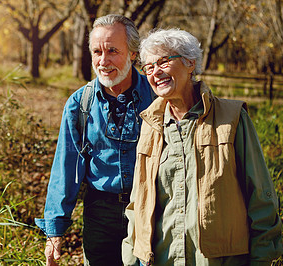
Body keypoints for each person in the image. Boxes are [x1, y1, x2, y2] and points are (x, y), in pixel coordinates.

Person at [123, 28, 283, 266]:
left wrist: (261, 258)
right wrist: (132, 257)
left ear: (190, 63)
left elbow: (261, 197)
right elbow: (138, 203)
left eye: (164, 61)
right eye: (148, 67)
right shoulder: (150, 125)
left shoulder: (232, 117)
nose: (155, 72)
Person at [35, 14, 154, 265]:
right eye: (96, 52)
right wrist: (54, 231)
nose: (103, 61)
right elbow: (65, 168)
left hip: (151, 208)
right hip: (100, 214)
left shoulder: (157, 97)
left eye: (112, 51)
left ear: (133, 54)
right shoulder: (80, 104)